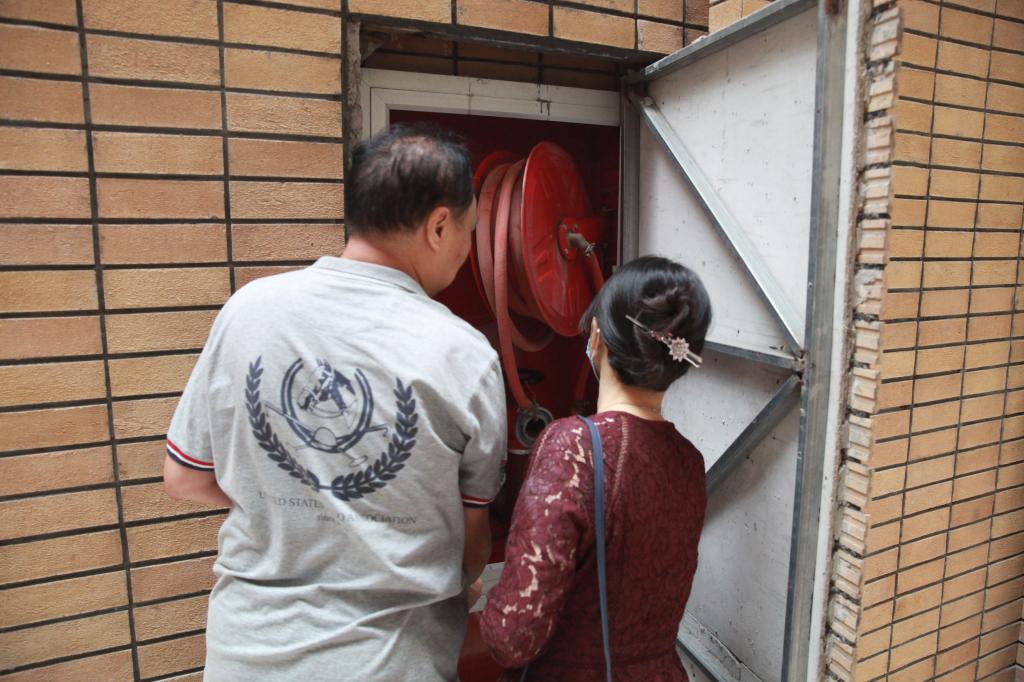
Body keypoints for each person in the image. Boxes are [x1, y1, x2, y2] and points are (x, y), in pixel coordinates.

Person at [163, 124, 506, 681]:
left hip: (246, 656)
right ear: (440, 226)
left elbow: (184, 477)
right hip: (389, 664)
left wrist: (290, 501)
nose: (467, 251)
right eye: (469, 231)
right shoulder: (464, 354)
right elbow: (471, 544)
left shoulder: (248, 311)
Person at [479, 256, 712, 681]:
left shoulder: (574, 447)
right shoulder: (689, 460)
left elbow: (514, 638)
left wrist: (481, 601)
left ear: (598, 335)